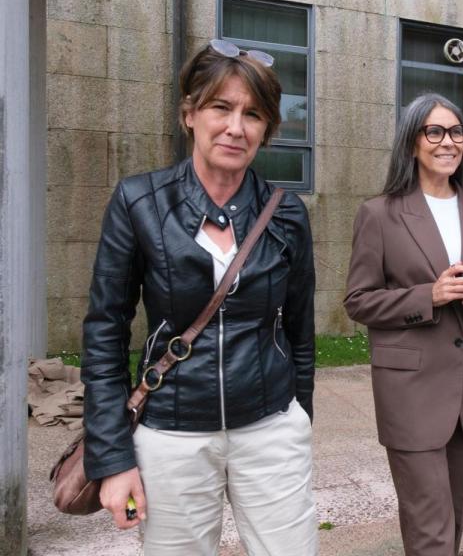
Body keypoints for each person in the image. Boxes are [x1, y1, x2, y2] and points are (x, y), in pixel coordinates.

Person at [82, 40, 317, 555]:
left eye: (253, 114)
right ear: (189, 113)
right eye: (220, 107)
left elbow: (300, 330)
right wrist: (113, 459)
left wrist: (298, 416)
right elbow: (104, 333)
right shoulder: (138, 202)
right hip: (172, 435)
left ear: (267, 129)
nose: (236, 127)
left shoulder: (286, 214)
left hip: (270, 430)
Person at [344, 93, 463, 556]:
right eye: (434, 132)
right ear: (412, 143)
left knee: (454, 519)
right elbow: (358, 301)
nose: (447, 142)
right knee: (430, 529)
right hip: (411, 392)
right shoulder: (379, 214)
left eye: (456, 132)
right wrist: (427, 297)